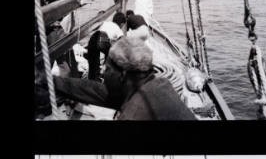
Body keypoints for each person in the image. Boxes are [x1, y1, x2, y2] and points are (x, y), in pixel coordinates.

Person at [50, 33, 197, 120]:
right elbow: (95, 90)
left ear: (123, 74)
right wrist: (52, 82)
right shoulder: (159, 83)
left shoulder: (133, 113)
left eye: (107, 69)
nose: (102, 72)